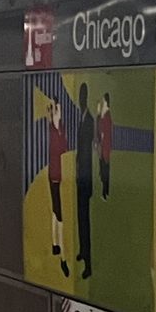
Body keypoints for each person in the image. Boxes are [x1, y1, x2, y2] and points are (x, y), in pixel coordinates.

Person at [73, 82, 95, 280]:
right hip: (80, 175)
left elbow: (88, 150)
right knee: (80, 217)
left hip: (85, 178)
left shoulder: (88, 120)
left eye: (81, 96)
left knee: (85, 219)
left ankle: (89, 263)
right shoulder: (82, 119)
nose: (80, 100)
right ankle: (82, 250)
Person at [46, 99, 68, 278]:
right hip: (55, 177)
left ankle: (55, 245)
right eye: (56, 109)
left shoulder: (59, 129)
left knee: (56, 212)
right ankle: (62, 257)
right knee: (60, 216)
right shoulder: (54, 132)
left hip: (58, 177)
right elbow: (61, 149)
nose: (59, 112)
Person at [97, 93, 114, 200]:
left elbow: (103, 130)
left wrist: (99, 114)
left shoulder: (107, 115)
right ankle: (105, 191)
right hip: (104, 148)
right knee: (104, 170)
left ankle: (105, 191)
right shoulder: (105, 115)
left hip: (105, 148)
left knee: (104, 171)